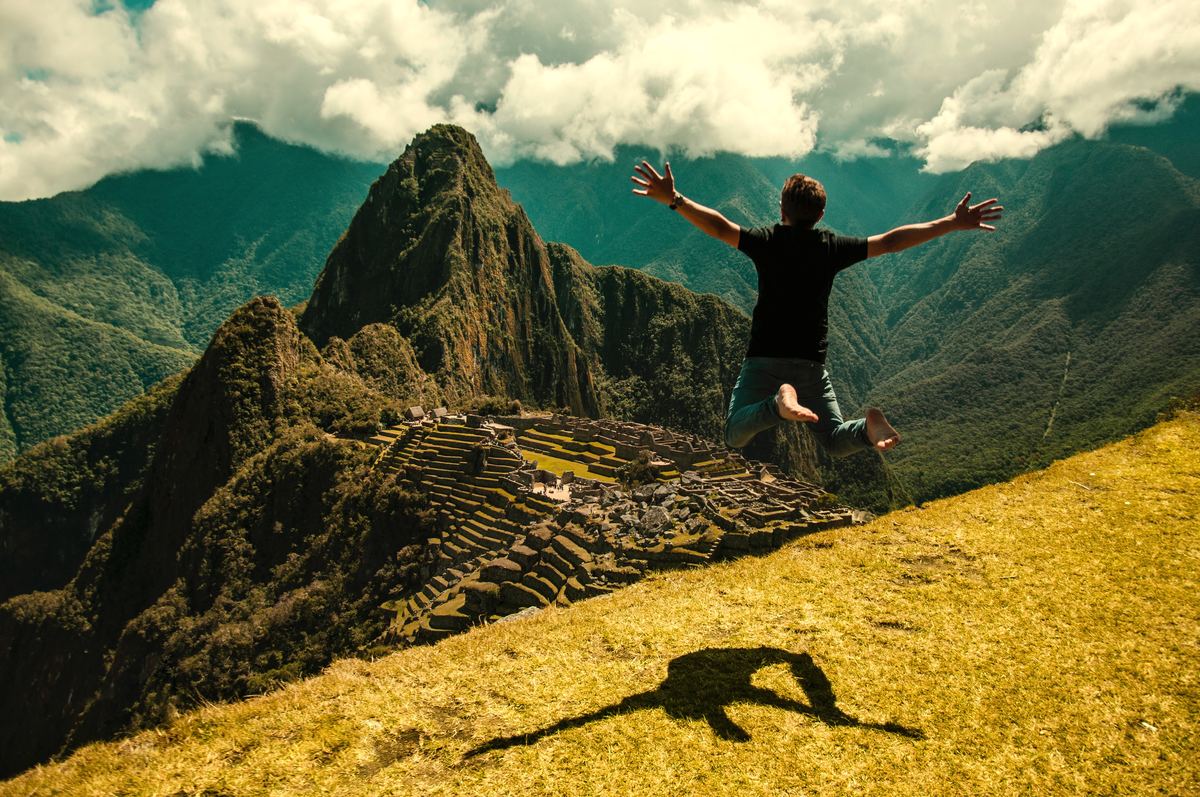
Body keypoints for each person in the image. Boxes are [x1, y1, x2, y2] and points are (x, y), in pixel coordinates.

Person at [630, 161, 1002, 456]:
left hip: (765, 360)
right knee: (836, 441)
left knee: (733, 434)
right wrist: (951, 223)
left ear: (782, 209)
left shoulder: (767, 242)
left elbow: (719, 226)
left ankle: (778, 405)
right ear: (820, 215)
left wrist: (675, 199)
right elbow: (891, 242)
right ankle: (866, 426)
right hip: (810, 365)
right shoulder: (830, 247)